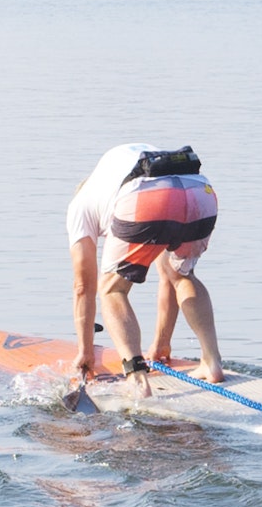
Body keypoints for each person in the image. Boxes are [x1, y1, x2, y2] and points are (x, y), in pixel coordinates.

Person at [65, 143, 226, 387]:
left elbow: (82, 285)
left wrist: (85, 350)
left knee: (111, 289)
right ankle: (212, 362)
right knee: (181, 275)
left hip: (144, 194)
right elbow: (166, 278)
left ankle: (136, 378)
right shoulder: (113, 172)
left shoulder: (79, 206)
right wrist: (162, 343)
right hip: (198, 190)